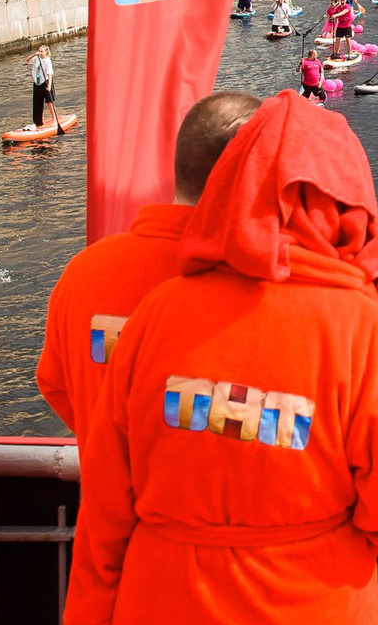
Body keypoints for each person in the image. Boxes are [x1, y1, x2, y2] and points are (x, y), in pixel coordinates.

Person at [63, 94, 378, 625]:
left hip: (162, 615)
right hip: (307, 621)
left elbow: (107, 498)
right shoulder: (360, 329)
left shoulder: (160, 311)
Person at [37, 91, 262, 443]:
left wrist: (107, 450)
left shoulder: (83, 270)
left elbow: (55, 384)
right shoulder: (255, 288)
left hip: (104, 490)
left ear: (181, 163)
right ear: (254, 178)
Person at [27, 41, 57, 132]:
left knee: (49, 101)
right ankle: (38, 122)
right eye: (39, 51)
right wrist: (33, 54)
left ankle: (54, 119)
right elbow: (27, 60)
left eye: (41, 51)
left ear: (46, 52)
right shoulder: (36, 58)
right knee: (37, 102)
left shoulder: (47, 61)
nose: (40, 53)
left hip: (46, 82)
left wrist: (49, 85)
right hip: (37, 82)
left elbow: (49, 74)